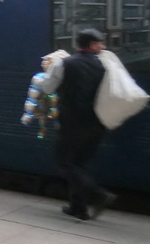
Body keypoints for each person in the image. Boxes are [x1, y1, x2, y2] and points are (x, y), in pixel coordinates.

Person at [43, 28, 117, 221]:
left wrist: (48, 71)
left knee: (65, 163)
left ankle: (98, 195)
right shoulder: (105, 66)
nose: (104, 46)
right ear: (92, 45)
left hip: (73, 123)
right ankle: (78, 207)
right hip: (98, 124)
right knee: (79, 165)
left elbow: (47, 87)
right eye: (101, 43)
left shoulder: (64, 63)